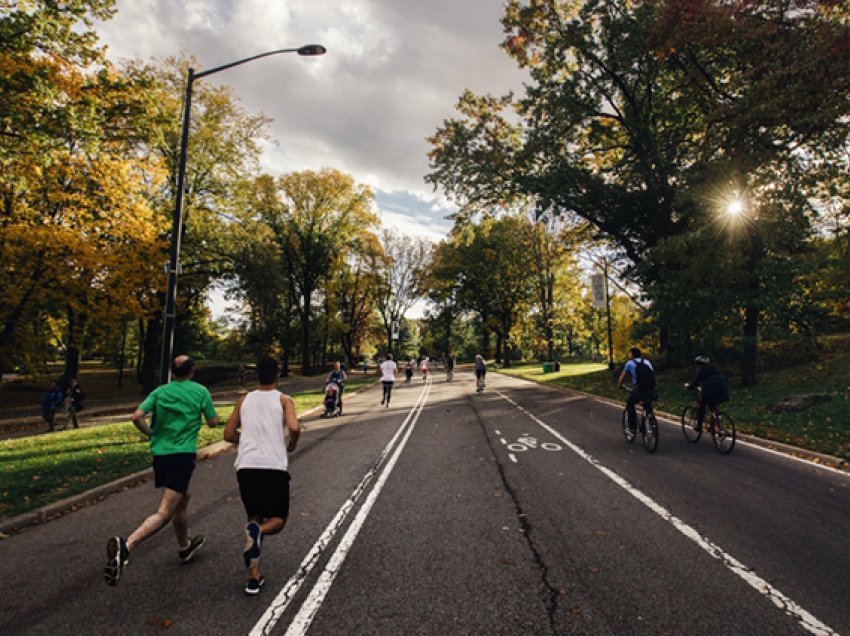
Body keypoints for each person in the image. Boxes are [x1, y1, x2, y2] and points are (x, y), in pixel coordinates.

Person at [104, 355, 219, 586]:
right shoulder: (200, 391)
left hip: (161, 455)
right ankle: (127, 546)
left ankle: (184, 547)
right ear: (192, 370)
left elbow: (136, 416)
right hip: (182, 456)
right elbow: (213, 423)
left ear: (171, 372)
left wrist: (151, 434)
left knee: (183, 499)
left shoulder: (160, 392)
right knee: (165, 511)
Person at [224, 357, 301, 595]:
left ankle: (253, 578)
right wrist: (291, 444)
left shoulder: (244, 399)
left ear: (257, 376)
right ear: (277, 376)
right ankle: (259, 534)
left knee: (254, 517)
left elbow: (228, 434)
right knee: (277, 519)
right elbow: (295, 427)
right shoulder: (284, 400)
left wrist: (246, 440)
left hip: (246, 466)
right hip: (273, 466)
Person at [617, 347, 657, 434]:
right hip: (651, 388)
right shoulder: (647, 362)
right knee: (647, 404)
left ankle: (632, 427)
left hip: (640, 389)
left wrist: (619, 385)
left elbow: (622, 377)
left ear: (632, 355)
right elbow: (653, 374)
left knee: (630, 403)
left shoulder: (630, 363)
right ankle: (651, 420)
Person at [685, 355, 731, 430]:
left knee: (702, 407)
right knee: (712, 406)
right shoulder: (714, 369)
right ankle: (718, 422)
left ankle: (699, 426)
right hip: (723, 390)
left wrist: (688, 387)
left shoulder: (702, 371)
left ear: (699, 364)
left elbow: (695, 383)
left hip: (710, 390)